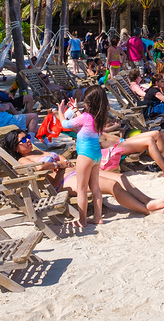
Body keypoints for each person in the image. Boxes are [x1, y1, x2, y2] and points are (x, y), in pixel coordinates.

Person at [1, 129, 164, 216]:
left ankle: (148, 201)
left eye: (27, 137)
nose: (28, 140)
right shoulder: (22, 161)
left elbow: (60, 158)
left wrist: (60, 162)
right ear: (15, 148)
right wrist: (58, 164)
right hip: (63, 183)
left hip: (75, 173)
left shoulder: (37, 151)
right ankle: (146, 210)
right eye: (23, 140)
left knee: (120, 177)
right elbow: (39, 168)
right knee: (112, 185)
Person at [58, 88, 105, 225]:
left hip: (85, 155)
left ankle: (82, 220)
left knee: (81, 189)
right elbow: (85, 121)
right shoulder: (100, 116)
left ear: (89, 103)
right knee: (95, 187)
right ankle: (98, 217)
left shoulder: (85, 117)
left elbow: (65, 124)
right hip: (96, 155)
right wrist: (75, 110)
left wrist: (60, 111)